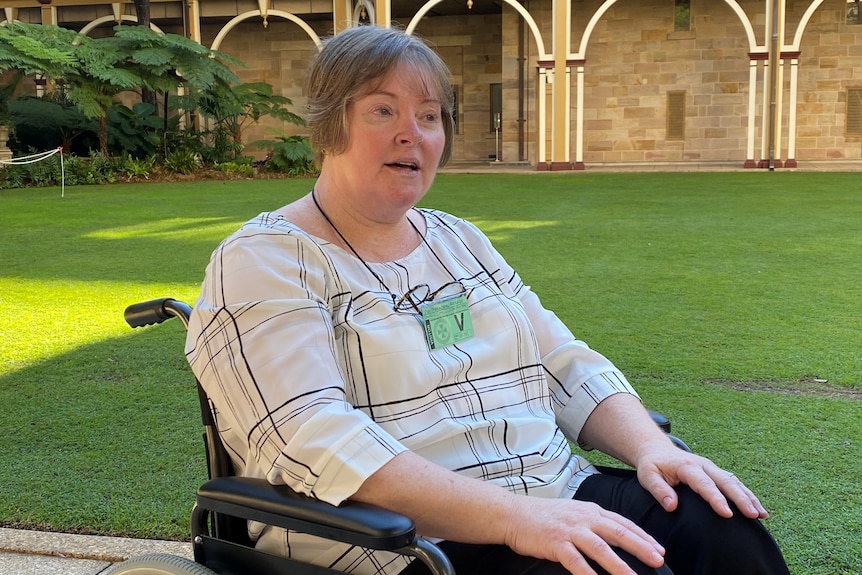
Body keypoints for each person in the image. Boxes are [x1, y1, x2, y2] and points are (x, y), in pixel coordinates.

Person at [185, 25, 791, 575]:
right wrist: (512, 518)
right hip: (400, 544)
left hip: (550, 490)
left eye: (429, 115)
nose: (411, 133)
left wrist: (651, 447)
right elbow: (316, 439)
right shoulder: (264, 260)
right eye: (382, 110)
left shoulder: (458, 240)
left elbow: (562, 363)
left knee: (720, 527)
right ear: (329, 126)